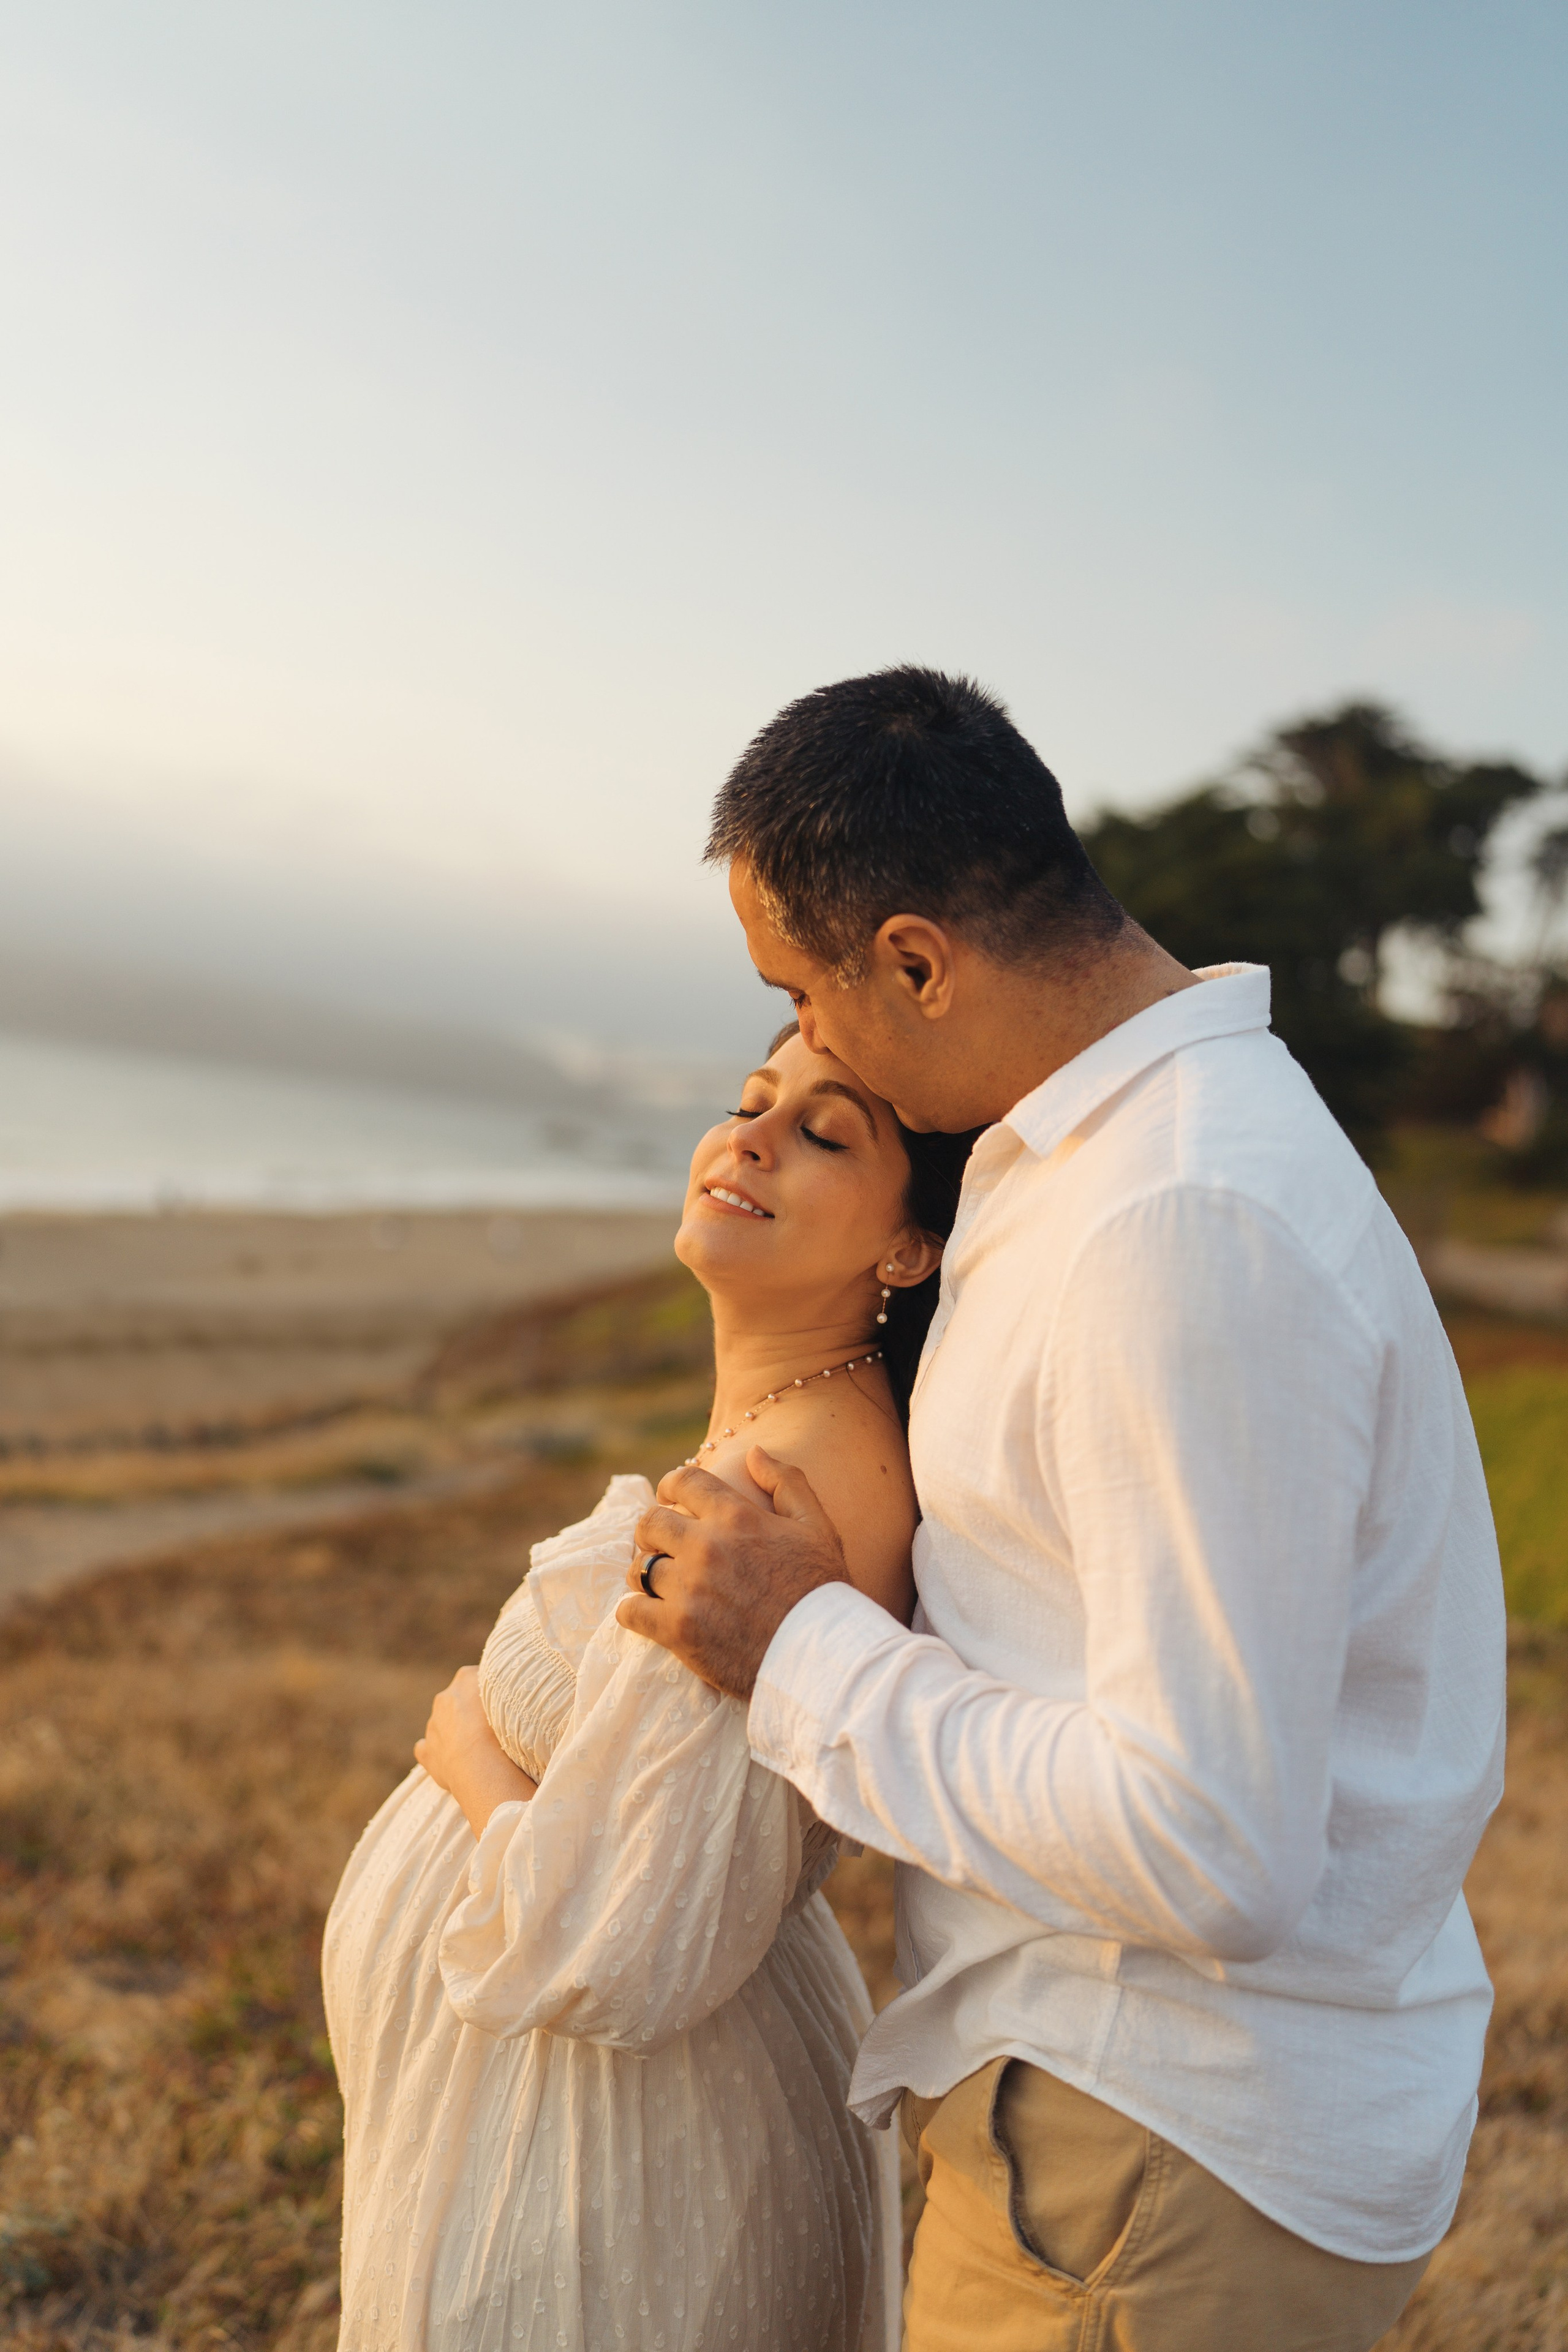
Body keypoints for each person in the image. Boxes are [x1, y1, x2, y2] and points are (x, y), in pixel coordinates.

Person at [618, 665, 1507, 2352]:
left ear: (917, 961)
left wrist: (799, 1645)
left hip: (1156, 2161)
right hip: (1133, 2133)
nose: (801, 1039)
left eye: (801, 987)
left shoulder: (1178, 1219)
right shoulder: (1098, 1155)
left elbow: (1207, 1842)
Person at [323, 1023, 976, 2352]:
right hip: (589, 2115)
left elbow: (627, 1945)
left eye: (822, 1131)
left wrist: (474, 1768)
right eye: (750, 1102)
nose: (750, 1136)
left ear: (907, 1248)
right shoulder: (783, 1435)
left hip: (618, 2161)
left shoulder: (788, 1487)